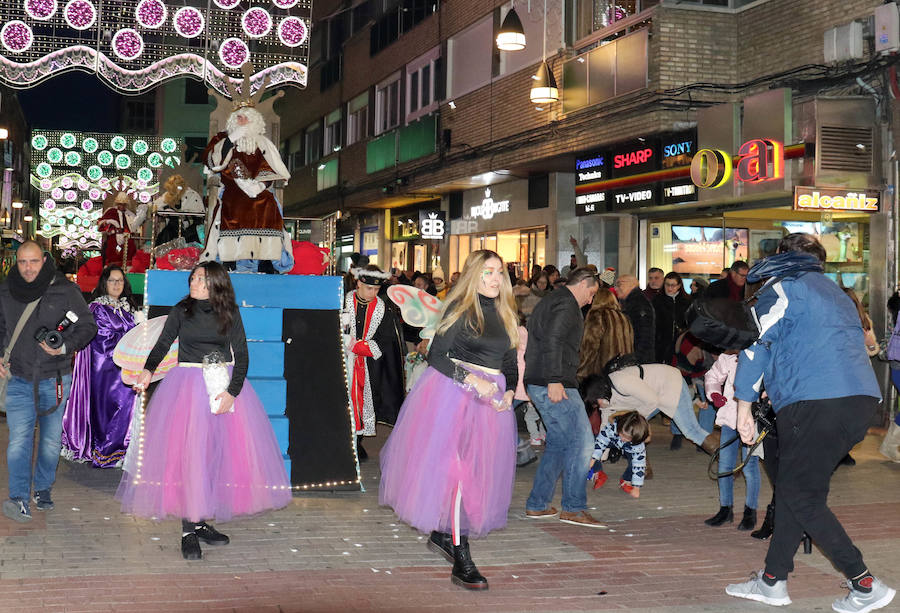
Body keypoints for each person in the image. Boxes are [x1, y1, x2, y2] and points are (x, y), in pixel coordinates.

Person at [726, 233, 895, 612]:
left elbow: (758, 345)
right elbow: (810, 346)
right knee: (796, 491)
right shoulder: (837, 293)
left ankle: (864, 583)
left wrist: (743, 408)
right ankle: (773, 581)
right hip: (858, 401)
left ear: (782, 257)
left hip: (814, 403)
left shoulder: (784, 286)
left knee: (801, 495)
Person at [116, 262, 291, 560]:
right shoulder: (181, 311)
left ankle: (199, 522)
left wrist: (232, 392)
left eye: (201, 279)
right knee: (190, 457)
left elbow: (243, 356)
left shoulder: (229, 312)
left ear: (215, 284)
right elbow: (161, 345)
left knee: (212, 456)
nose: (194, 282)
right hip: (186, 388)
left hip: (221, 387)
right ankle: (188, 530)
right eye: (193, 277)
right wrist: (147, 371)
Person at [379, 250, 519, 590]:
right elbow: (437, 356)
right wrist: (475, 382)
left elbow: (510, 360)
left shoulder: (506, 312)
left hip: (492, 404)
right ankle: (462, 556)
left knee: (476, 473)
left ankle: (444, 533)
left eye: (499, 272)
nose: (495, 278)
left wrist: (510, 392)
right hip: (454, 397)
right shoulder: (460, 310)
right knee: (459, 475)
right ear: (474, 275)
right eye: (487, 272)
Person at [0, 241, 97, 522]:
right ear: (15, 263)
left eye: (33, 261)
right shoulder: (6, 289)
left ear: (44, 259)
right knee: (19, 440)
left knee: (51, 442)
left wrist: (64, 346)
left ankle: (42, 489)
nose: (28, 268)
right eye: (22, 262)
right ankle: (18, 498)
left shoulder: (65, 290)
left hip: (54, 379)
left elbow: (87, 326)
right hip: (18, 377)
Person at [524, 268, 601, 528]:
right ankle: (573, 507)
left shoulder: (553, 300)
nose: (590, 300)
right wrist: (555, 379)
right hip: (554, 383)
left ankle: (539, 503)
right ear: (582, 285)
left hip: (542, 380)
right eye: (591, 293)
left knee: (558, 443)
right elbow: (553, 341)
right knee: (582, 442)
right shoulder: (566, 305)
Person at [201, 93, 293, 273]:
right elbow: (212, 162)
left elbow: (273, 168)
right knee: (234, 204)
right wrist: (231, 139)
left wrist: (260, 185)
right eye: (239, 117)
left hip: (258, 189)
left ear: (254, 121)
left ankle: (265, 258)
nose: (242, 120)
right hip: (232, 190)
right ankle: (231, 258)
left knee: (267, 203)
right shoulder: (223, 139)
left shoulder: (263, 143)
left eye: (246, 117)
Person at [62, 266, 140, 467]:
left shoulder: (126, 308)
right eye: (112, 280)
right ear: (104, 283)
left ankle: (121, 452)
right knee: (111, 408)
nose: (116, 284)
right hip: (105, 369)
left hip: (126, 368)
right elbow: (103, 340)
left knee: (128, 408)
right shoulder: (97, 308)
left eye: (120, 280)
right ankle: (106, 451)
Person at [342, 265, 405, 461]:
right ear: (359, 283)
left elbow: (386, 340)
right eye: (369, 288)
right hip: (343, 362)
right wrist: (344, 341)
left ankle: (357, 442)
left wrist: (359, 347)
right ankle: (343, 442)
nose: (373, 293)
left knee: (366, 403)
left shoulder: (382, 309)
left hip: (369, 367)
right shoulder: (342, 301)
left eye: (377, 289)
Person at [703, 350, 760, 531]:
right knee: (724, 466)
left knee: (750, 468)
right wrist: (714, 394)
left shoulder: (760, 354)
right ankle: (725, 509)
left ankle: (750, 511)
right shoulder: (727, 358)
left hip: (753, 419)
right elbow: (712, 376)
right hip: (729, 418)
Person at [587, 409, 649, 498]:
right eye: (622, 435)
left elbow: (639, 465)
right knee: (592, 443)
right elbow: (600, 443)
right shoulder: (612, 427)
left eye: (627, 438)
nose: (623, 439)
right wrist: (592, 460)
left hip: (630, 447)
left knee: (635, 462)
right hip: (612, 439)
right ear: (619, 427)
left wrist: (636, 487)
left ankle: (626, 479)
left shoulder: (637, 443)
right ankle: (598, 471)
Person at [98, 189, 148, 268]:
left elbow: (134, 228)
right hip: (114, 239)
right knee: (113, 255)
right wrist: (112, 226)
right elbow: (102, 225)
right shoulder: (111, 212)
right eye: (120, 204)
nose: (122, 206)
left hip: (127, 240)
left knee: (130, 253)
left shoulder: (129, 214)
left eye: (124, 204)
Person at [614, 274, 656, 363]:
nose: (616, 288)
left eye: (619, 284)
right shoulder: (631, 302)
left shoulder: (638, 303)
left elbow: (645, 336)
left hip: (638, 359)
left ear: (632, 285)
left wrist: (635, 358)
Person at [652, 272, 691, 365]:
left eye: (673, 285)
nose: (669, 288)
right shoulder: (657, 300)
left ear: (679, 286)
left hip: (681, 343)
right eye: (667, 285)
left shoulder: (687, 301)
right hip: (661, 343)